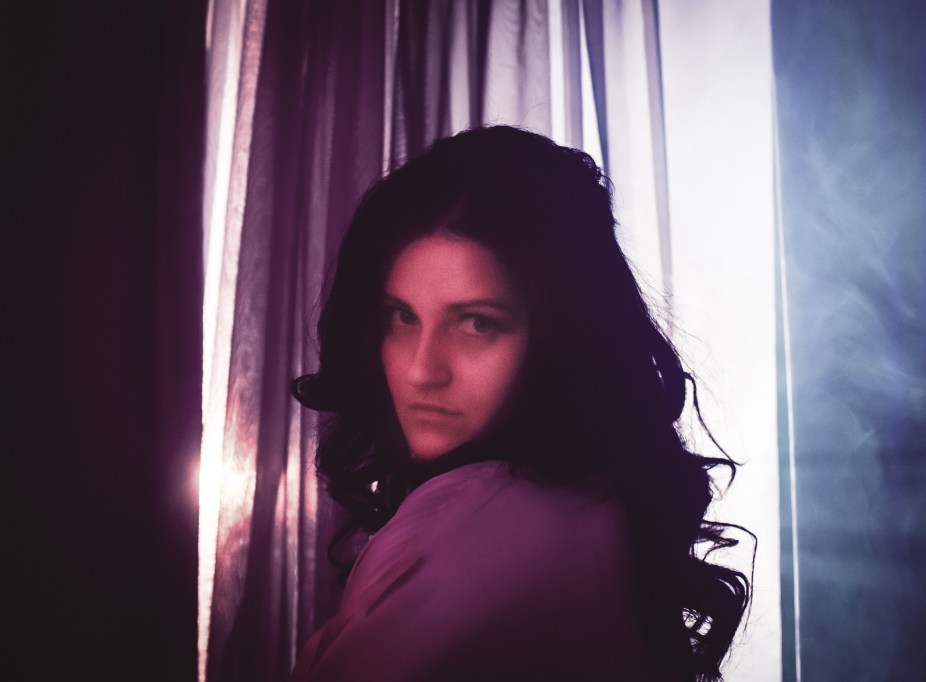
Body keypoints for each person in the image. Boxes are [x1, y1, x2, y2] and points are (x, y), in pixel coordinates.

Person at [289, 125, 749, 681]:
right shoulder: (590, 499)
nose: (420, 371)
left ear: (563, 335)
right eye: (402, 316)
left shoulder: (480, 518)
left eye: (477, 323)